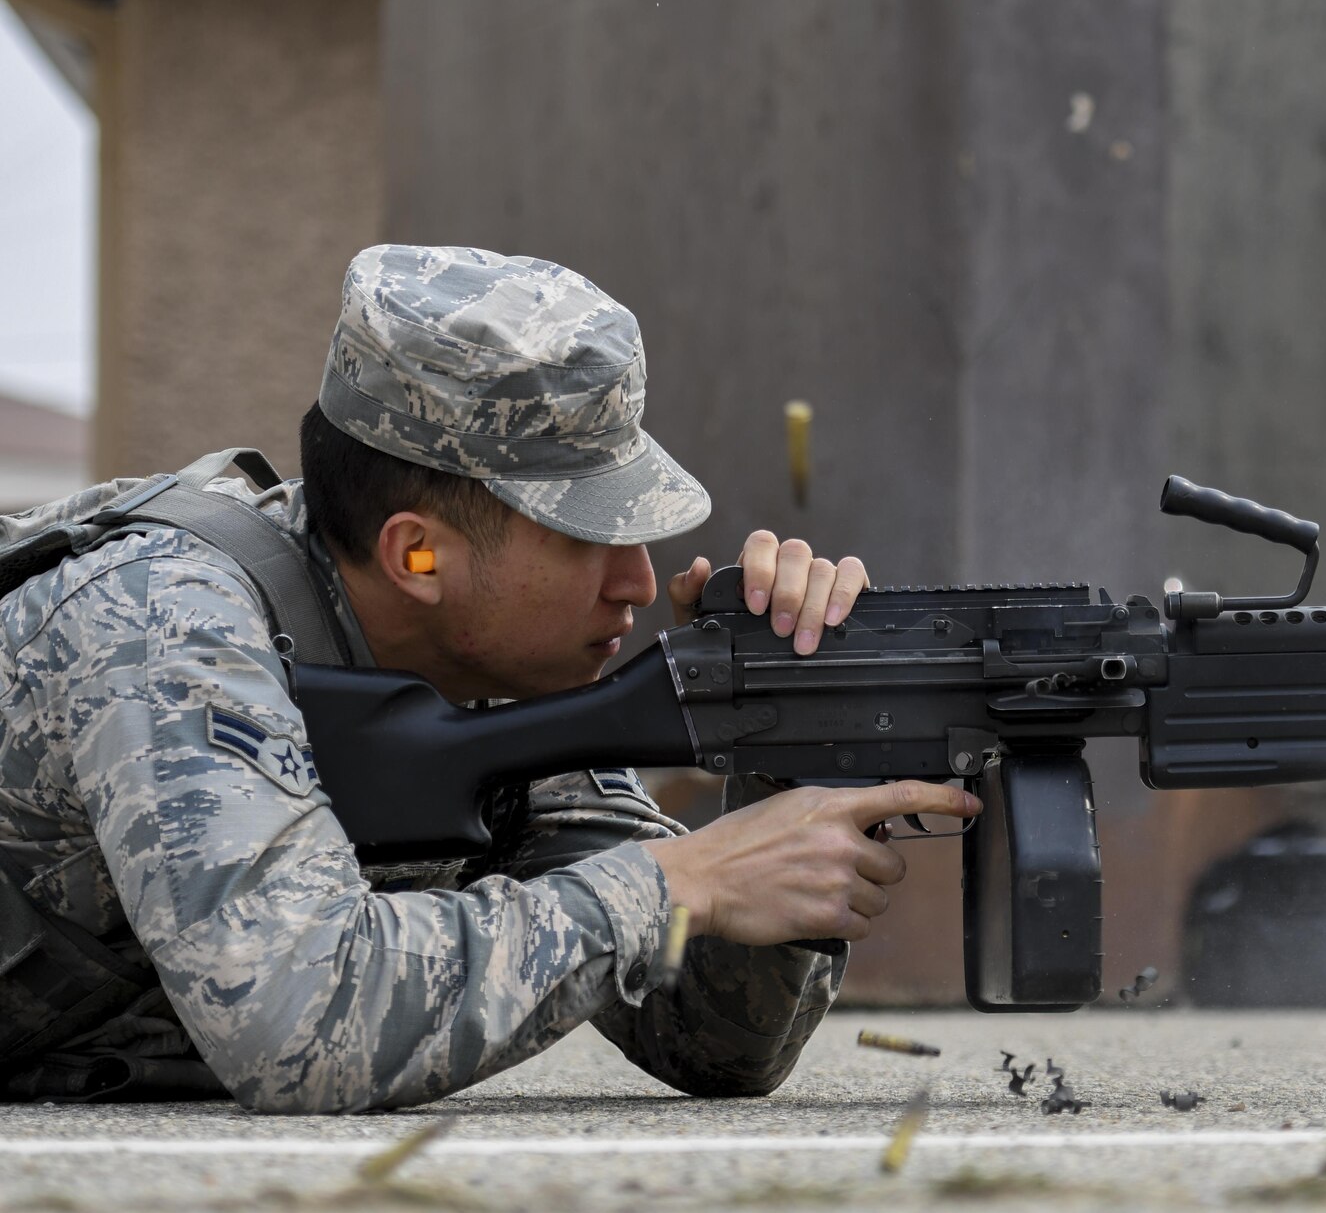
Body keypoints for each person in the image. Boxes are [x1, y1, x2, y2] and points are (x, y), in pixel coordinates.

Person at [0, 244, 976, 1111]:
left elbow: (710, 1041)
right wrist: (678, 880)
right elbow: (297, 1023)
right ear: (417, 555)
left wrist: (780, 740)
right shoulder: (161, 623)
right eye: (586, 537)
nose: (636, 578)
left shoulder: (497, 673)